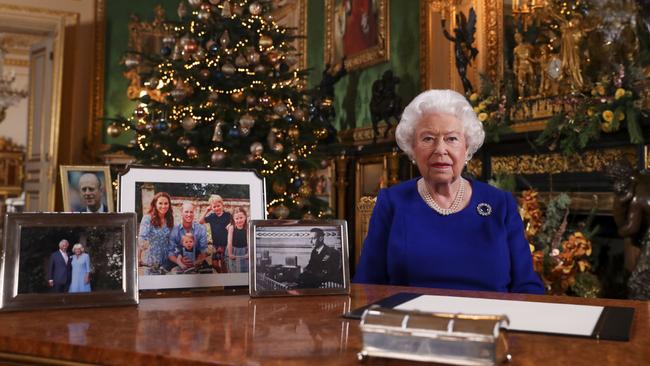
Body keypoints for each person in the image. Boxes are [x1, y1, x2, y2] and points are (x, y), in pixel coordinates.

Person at [353, 89, 544, 294]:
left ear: (467, 147)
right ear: (412, 148)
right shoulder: (392, 202)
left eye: (451, 139)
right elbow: (366, 284)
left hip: (489, 323)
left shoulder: (500, 204)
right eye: (428, 139)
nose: (440, 149)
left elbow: (527, 286)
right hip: (411, 322)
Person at [138, 192, 174, 273]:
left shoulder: (169, 219)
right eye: (160, 203)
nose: (163, 206)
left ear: (169, 205)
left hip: (166, 260)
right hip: (152, 260)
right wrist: (139, 258)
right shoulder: (147, 218)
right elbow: (142, 238)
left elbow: (171, 239)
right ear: (155, 204)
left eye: (166, 203)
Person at [169, 201, 209, 270]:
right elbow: (170, 252)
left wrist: (196, 262)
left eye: (191, 212)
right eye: (186, 212)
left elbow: (203, 251)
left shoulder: (201, 229)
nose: (189, 214)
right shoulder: (174, 230)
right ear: (181, 212)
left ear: (194, 213)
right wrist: (180, 262)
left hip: (197, 261)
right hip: (178, 262)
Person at [200, 195, 232, 269]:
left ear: (222, 205)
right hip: (216, 245)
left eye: (218, 206)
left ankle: (224, 277)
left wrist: (230, 224)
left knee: (224, 263)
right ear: (211, 207)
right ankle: (221, 274)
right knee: (214, 264)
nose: (217, 208)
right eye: (214, 207)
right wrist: (206, 211)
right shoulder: (212, 216)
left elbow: (234, 222)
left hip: (225, 244)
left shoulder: (227, 215)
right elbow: (200, 221)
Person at [227, 207, 249, 273]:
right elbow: (229, 242)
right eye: (236, 218)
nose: (239, 220)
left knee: (245, 269)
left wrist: (249, 253)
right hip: (234, 250)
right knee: (234, 269)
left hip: (245, 251)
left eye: (241, 218)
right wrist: (230, 254)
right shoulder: (231, 228)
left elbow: (249, 241)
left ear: (245, 217)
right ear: (233, 219)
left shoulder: (247, 228)